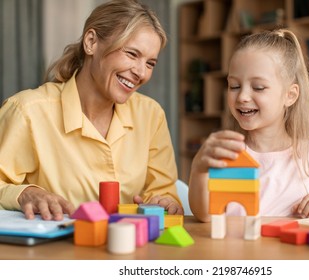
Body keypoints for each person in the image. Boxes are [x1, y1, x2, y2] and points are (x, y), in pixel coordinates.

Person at [0, 0, 183, 220]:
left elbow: (164, 191)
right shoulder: (27, 112)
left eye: (150, 63)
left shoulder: (151, 115)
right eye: (132, 54)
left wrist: (165, 203)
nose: (141, 72)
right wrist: (24, 193)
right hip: (55, 251)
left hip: (128, 249)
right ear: (91, 42)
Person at [188, 29, 309, 222]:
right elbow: (205, 216)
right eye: (234, 86)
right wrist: (198, 169)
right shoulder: (227, 153)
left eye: (258, 87)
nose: (242, 97)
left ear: (290, 95)